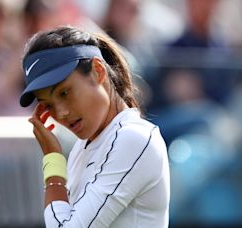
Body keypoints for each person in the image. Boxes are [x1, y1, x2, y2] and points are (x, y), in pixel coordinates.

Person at [19, 26, 170, 227]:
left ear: (98, 71)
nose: (61, 113)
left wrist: (52, 161)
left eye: (65, 93)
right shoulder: (80, 150)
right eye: (48, 105)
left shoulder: (134, 137)